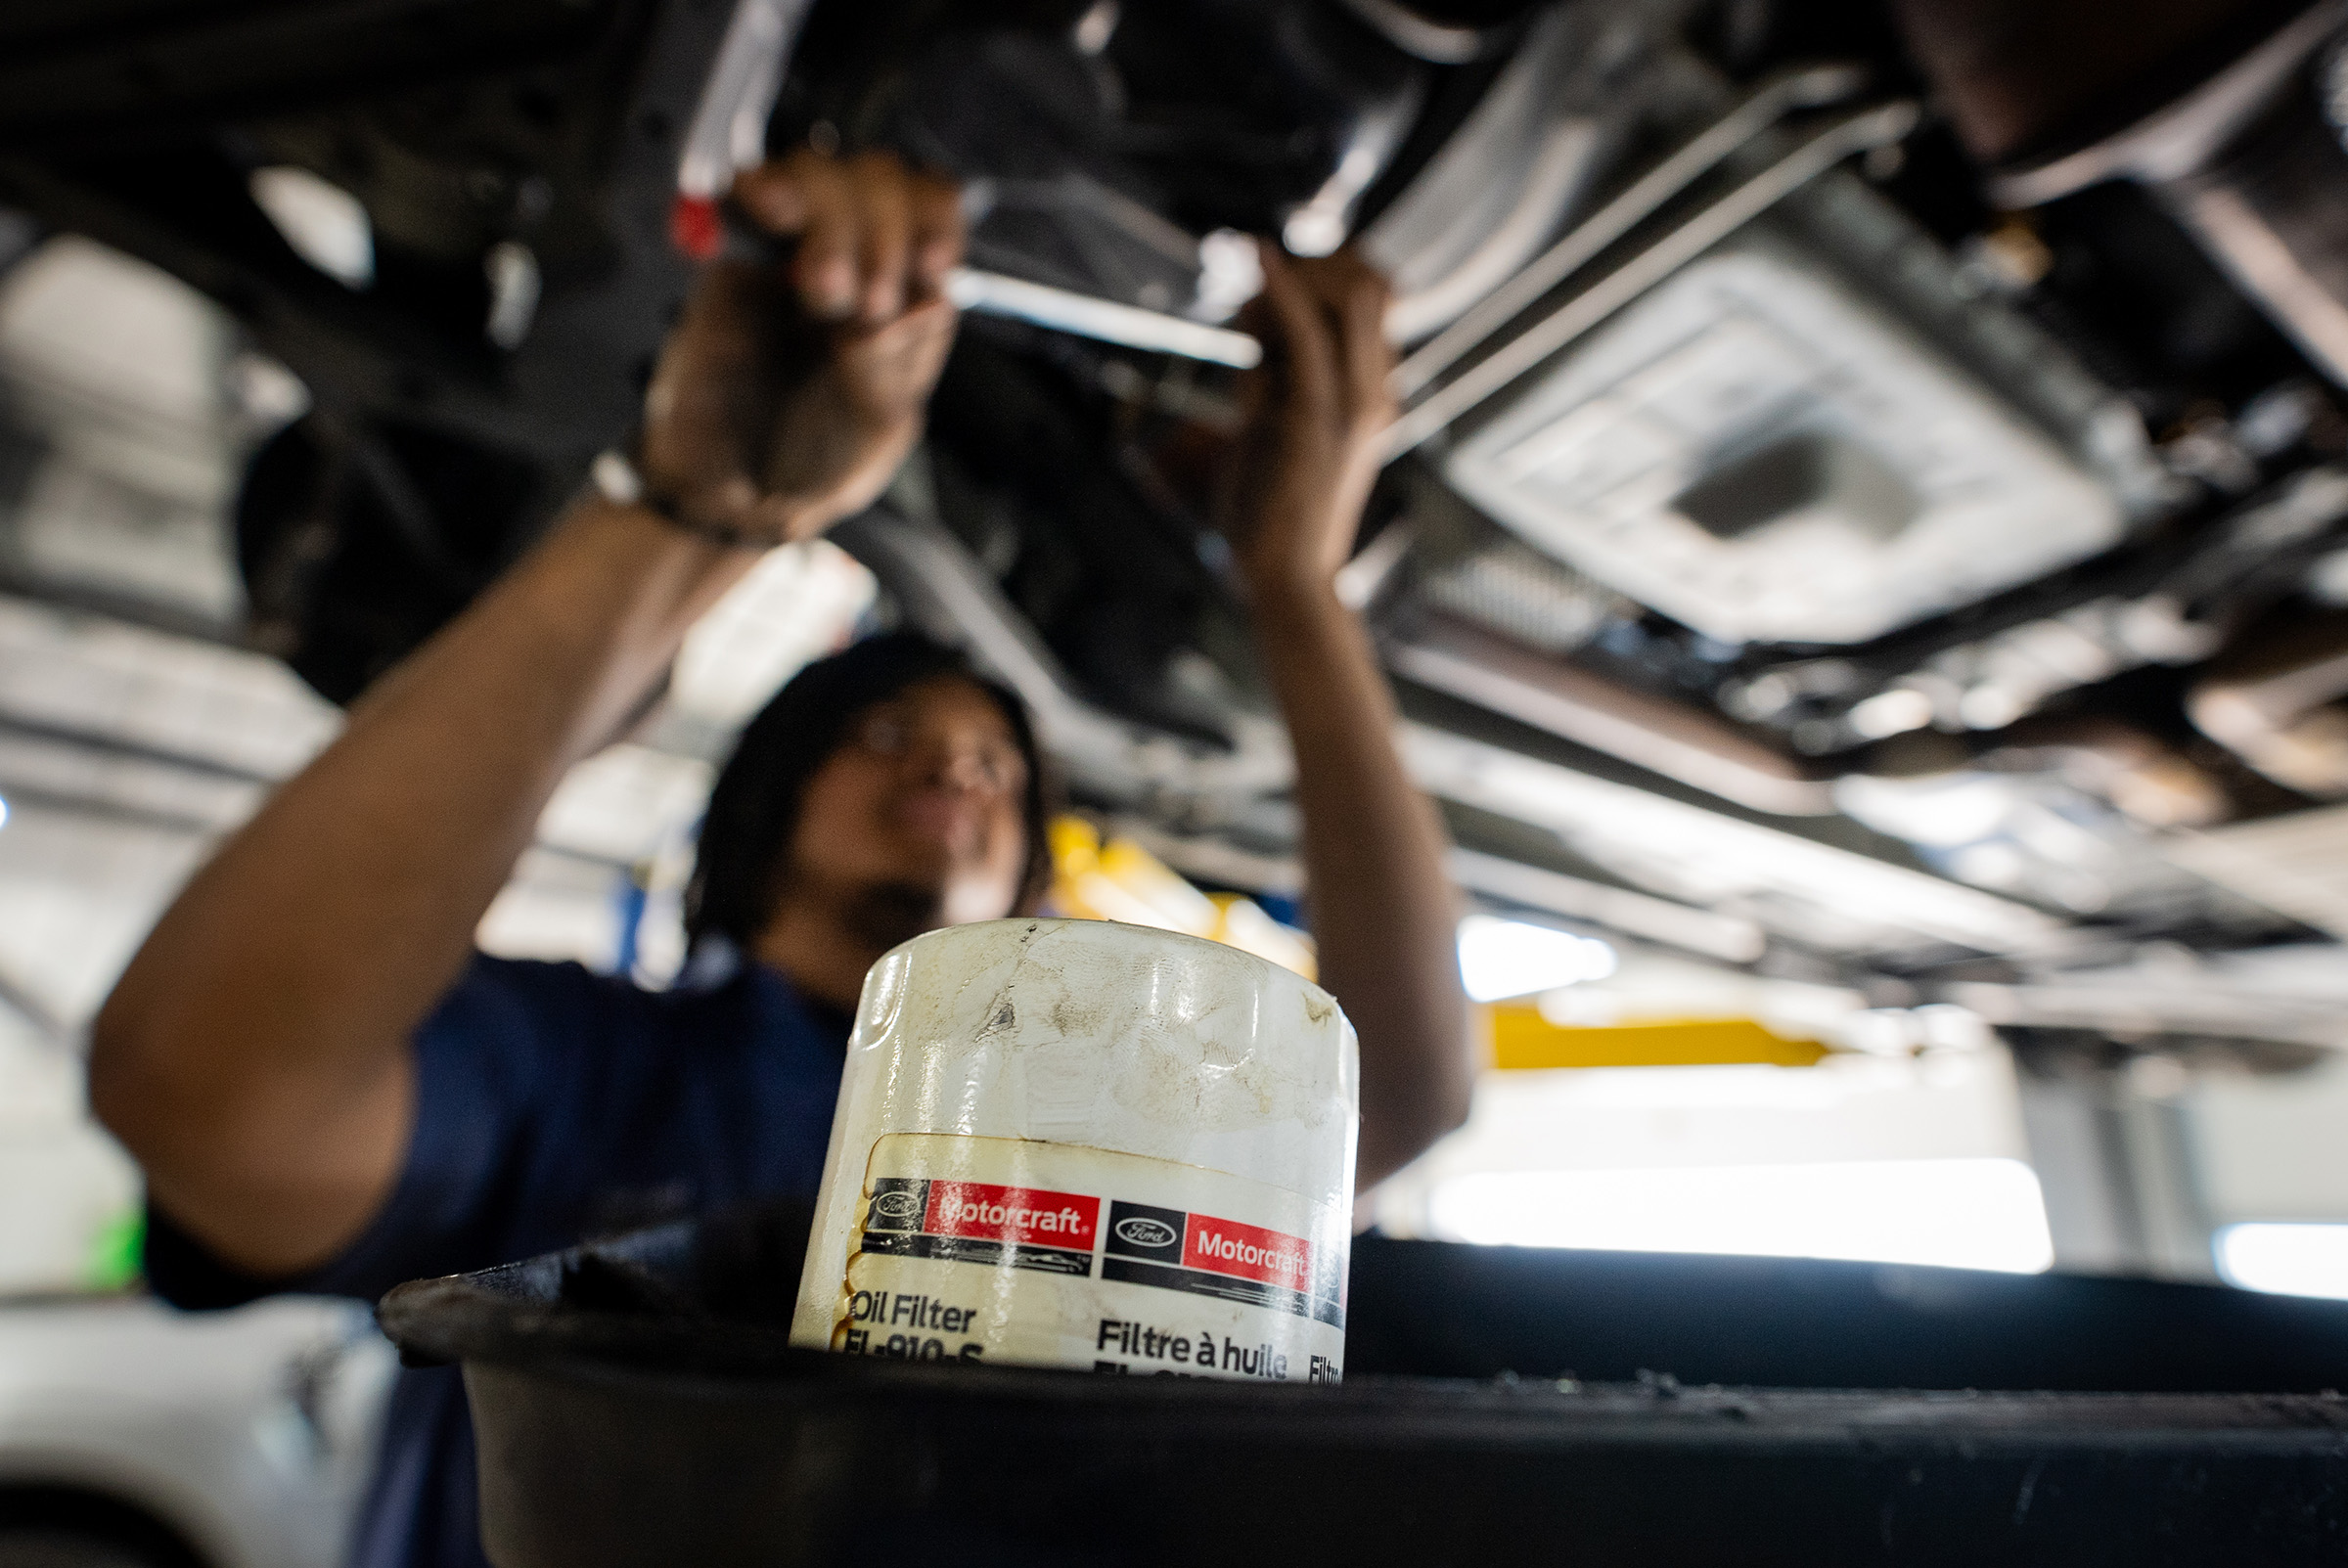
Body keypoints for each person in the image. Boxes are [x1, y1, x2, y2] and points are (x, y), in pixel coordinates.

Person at [88, 150, 1471, 1568]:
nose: (953, 769)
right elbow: (205, 1086)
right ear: (760, 811)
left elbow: (1407, 1094)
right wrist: (694, 510)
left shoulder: (1120, 1127)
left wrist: (1296, 591)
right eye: (888, 733)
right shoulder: (588, 1070)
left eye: (996, 765)